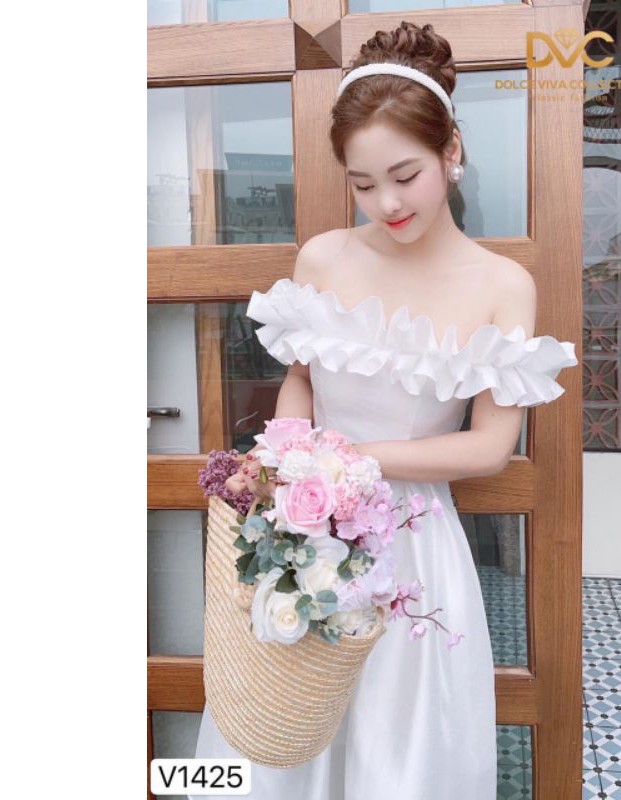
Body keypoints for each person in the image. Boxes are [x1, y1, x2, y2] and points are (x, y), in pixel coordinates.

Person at [190, 20, 577, 800]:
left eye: (405, 174)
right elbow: (300, 380)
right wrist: (289, 464)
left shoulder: (502, 285)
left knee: (397, 747)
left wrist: (350, 464)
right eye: (364, 184)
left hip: (413, 549)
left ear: (451, 150)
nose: (387, 202)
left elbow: (488, 448)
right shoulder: (324, 257)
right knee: (281, 716)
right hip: (305, 527)